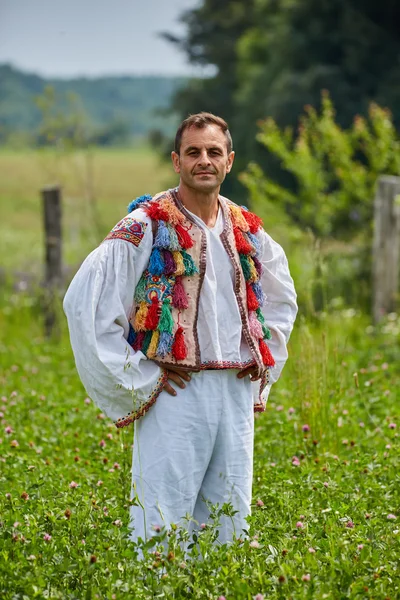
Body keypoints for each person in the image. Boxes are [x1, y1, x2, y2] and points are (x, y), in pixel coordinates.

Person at [63, 112, 297, 550]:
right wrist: (140, 375)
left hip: (234, 392)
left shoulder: (249, 229)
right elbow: (85, 304)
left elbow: (282, 301)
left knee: (230, 517)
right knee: (161, 518)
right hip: (173, 393)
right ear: (176, 160)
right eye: (193, 152)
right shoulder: (145, 224)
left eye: (213, 152)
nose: (203, 160)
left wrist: (261, 360)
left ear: (230, 161)